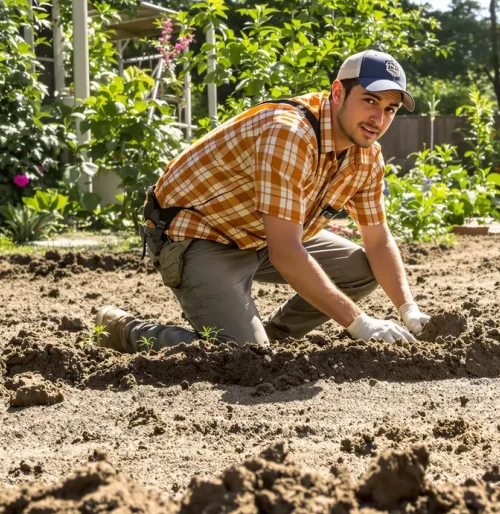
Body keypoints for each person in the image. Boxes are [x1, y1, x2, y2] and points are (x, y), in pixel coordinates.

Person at [94, 50, 430, 352]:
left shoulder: (366, 156)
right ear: (338, 92)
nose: (379, 118)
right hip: (199, 236)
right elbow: (286, 252)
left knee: (360, 269)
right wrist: (360, 322)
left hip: (258, 235)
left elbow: (378, 239)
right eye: (370, 101)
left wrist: (408, 309)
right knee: (237, 357)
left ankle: (269, 339)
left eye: (390, 109)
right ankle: (124, 331)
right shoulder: (290, 133)